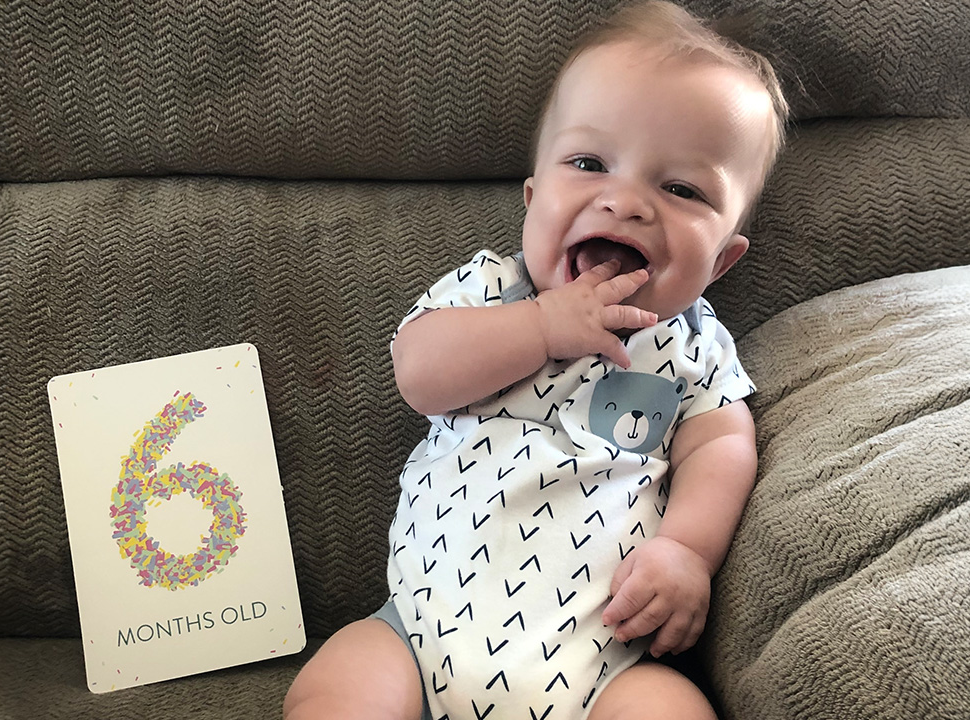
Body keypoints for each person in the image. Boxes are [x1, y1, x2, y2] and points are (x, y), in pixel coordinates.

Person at [285, 2, 789, 718]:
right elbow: (418, 371)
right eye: (589, 164)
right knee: (343, 688)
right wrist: (543, 326)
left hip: (603, 658)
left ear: (722, 262)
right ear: (532, 201)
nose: (624, 202)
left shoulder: (690, 343)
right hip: (422, 637)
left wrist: (687, 552)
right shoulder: (493, 290)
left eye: (680, 189)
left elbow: (723, 443)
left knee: (669, 709)